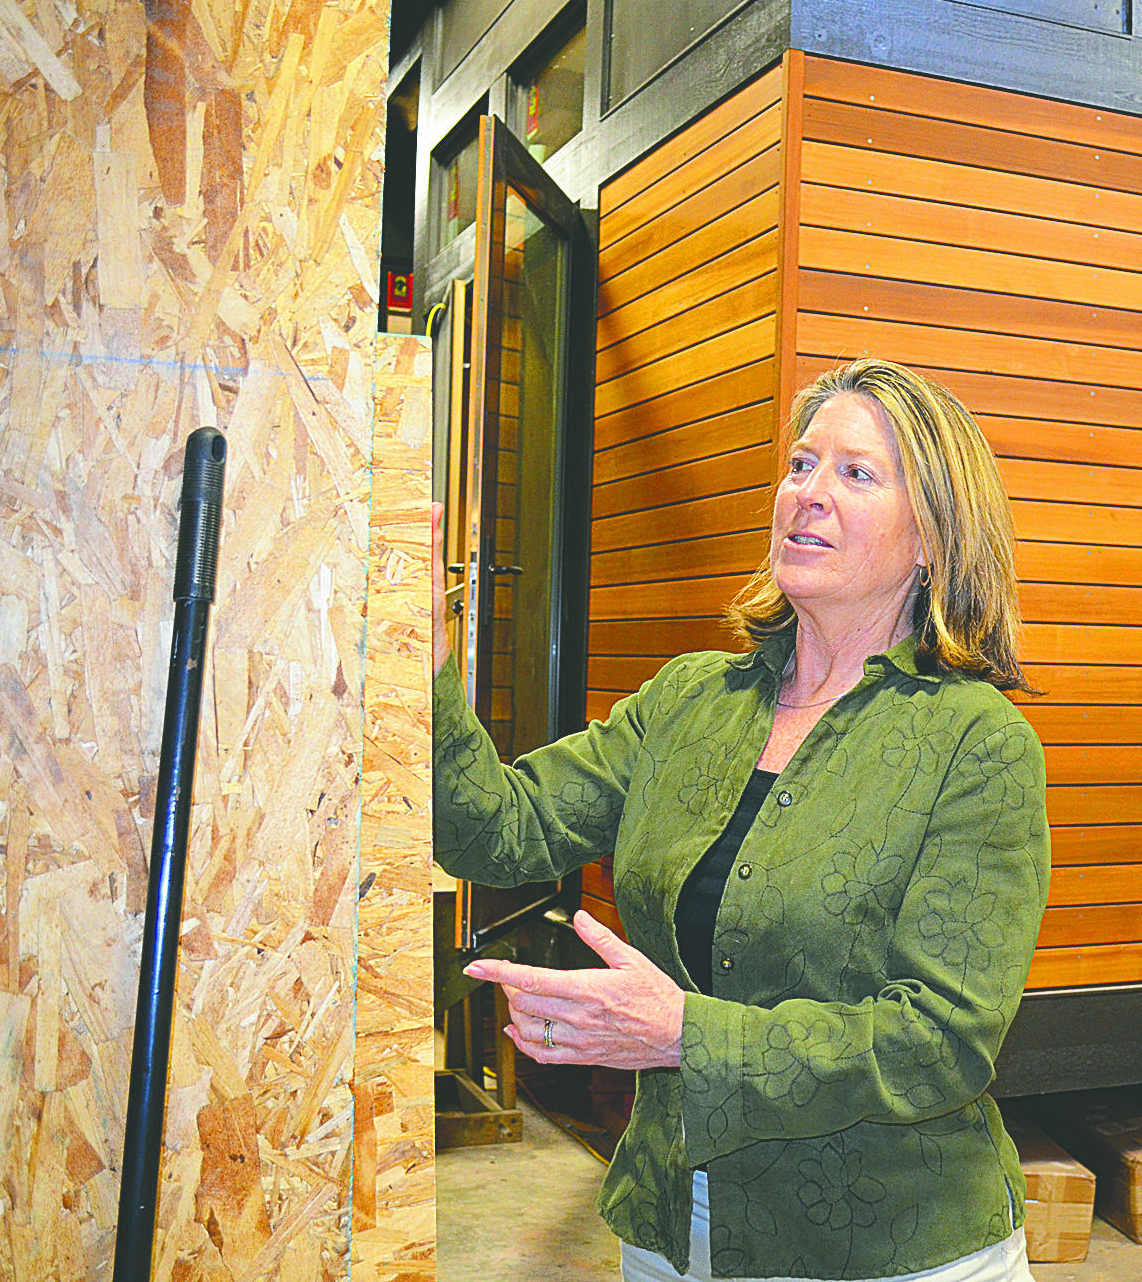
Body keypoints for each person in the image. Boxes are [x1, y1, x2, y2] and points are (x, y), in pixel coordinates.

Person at [432, 358, 1050, 1282]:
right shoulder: (690, 701)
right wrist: (428, 665)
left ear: (932, 537)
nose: (808, 493)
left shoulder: (975, 742)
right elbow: (496, 829)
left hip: (887, 1248)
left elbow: (940, 1043)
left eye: (855, 474)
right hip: (672, 1227)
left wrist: (683, 1031)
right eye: (801, 465)